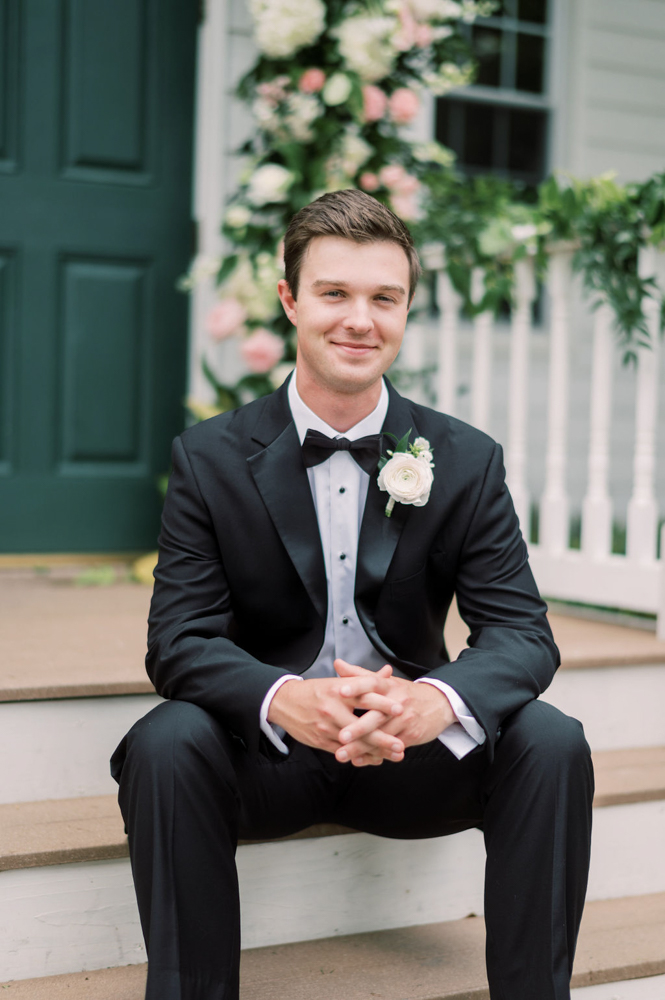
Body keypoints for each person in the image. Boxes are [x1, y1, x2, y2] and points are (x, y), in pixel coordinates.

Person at [111, 189, 593, 1000]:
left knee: (552, 740)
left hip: (412, 757)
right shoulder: (208, 458)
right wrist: (284, 697)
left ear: (406, 308)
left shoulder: (464, 458)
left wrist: (435, 701)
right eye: (335, 293)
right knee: (165, 743)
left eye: (384, 298)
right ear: (291, 300)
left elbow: (521, 633)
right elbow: (180, 640)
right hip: (269, 758)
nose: (359, 321)